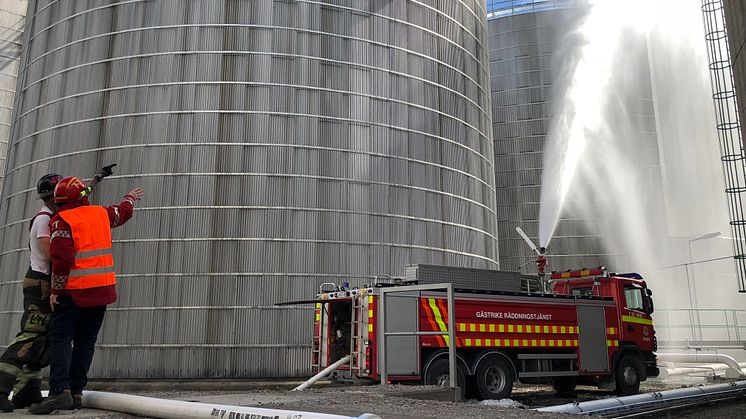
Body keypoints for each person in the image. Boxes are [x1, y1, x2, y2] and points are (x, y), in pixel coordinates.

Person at [28, 177, 143, 414]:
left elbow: (62, 259)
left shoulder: (62, 220)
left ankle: (61, 392)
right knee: (85, 341)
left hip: (73, 291)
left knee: (61, 338)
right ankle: (77, 392)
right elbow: (122, 213)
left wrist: (55, 290)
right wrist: (129, 198)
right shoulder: (101, 213)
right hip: (101, 291)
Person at [0, 174, 61, 413]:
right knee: (30, 335)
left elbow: (80, 193)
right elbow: (51, 254)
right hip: (40, 284)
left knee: (41, 340)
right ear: (53, 197)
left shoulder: (51, 215)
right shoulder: (44, 220)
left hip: (44, 282)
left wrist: (97, 180)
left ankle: (27, 391)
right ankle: (2, 387)